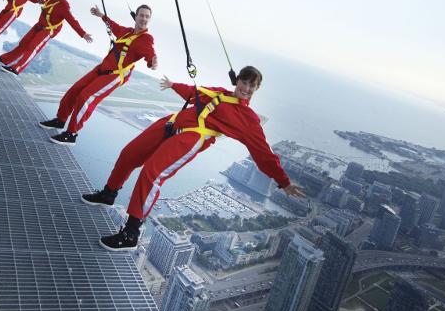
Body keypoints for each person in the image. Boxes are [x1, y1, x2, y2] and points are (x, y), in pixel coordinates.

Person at [80, 66, 305, 251]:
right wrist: (173, 85)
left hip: (193, 137)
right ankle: (109, 193)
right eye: (244, 82)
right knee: (129, 154)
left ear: (256, 89)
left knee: (152, 173)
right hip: (172, 123)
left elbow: (262, 151)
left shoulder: (248, 119)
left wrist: (283, 181)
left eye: (251, 86)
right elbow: (195, 93)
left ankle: (130, 233)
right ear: (237, 81)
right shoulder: (219, 93)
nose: (246, 88)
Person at [39, 4, 157, 145]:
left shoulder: (146, 39)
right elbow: (114, 26)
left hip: (115, 75)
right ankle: (60, 120)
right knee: (75, 90)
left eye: (147, 16)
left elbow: (150, 55)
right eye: (141, 15)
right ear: (136, 16)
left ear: (149, 19)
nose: (144, 18)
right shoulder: (127, 32)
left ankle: (71, 134)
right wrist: (101, 15)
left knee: (86, 97)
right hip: (102, 68)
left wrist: (153, 63)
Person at [0, 0, 93, 75]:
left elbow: (72, 21)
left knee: (32, 47)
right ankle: (5, 59)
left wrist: (83, 34)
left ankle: (16, 68)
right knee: (23, 43)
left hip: (49, 30)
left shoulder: (64, 6)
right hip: (39, 25)